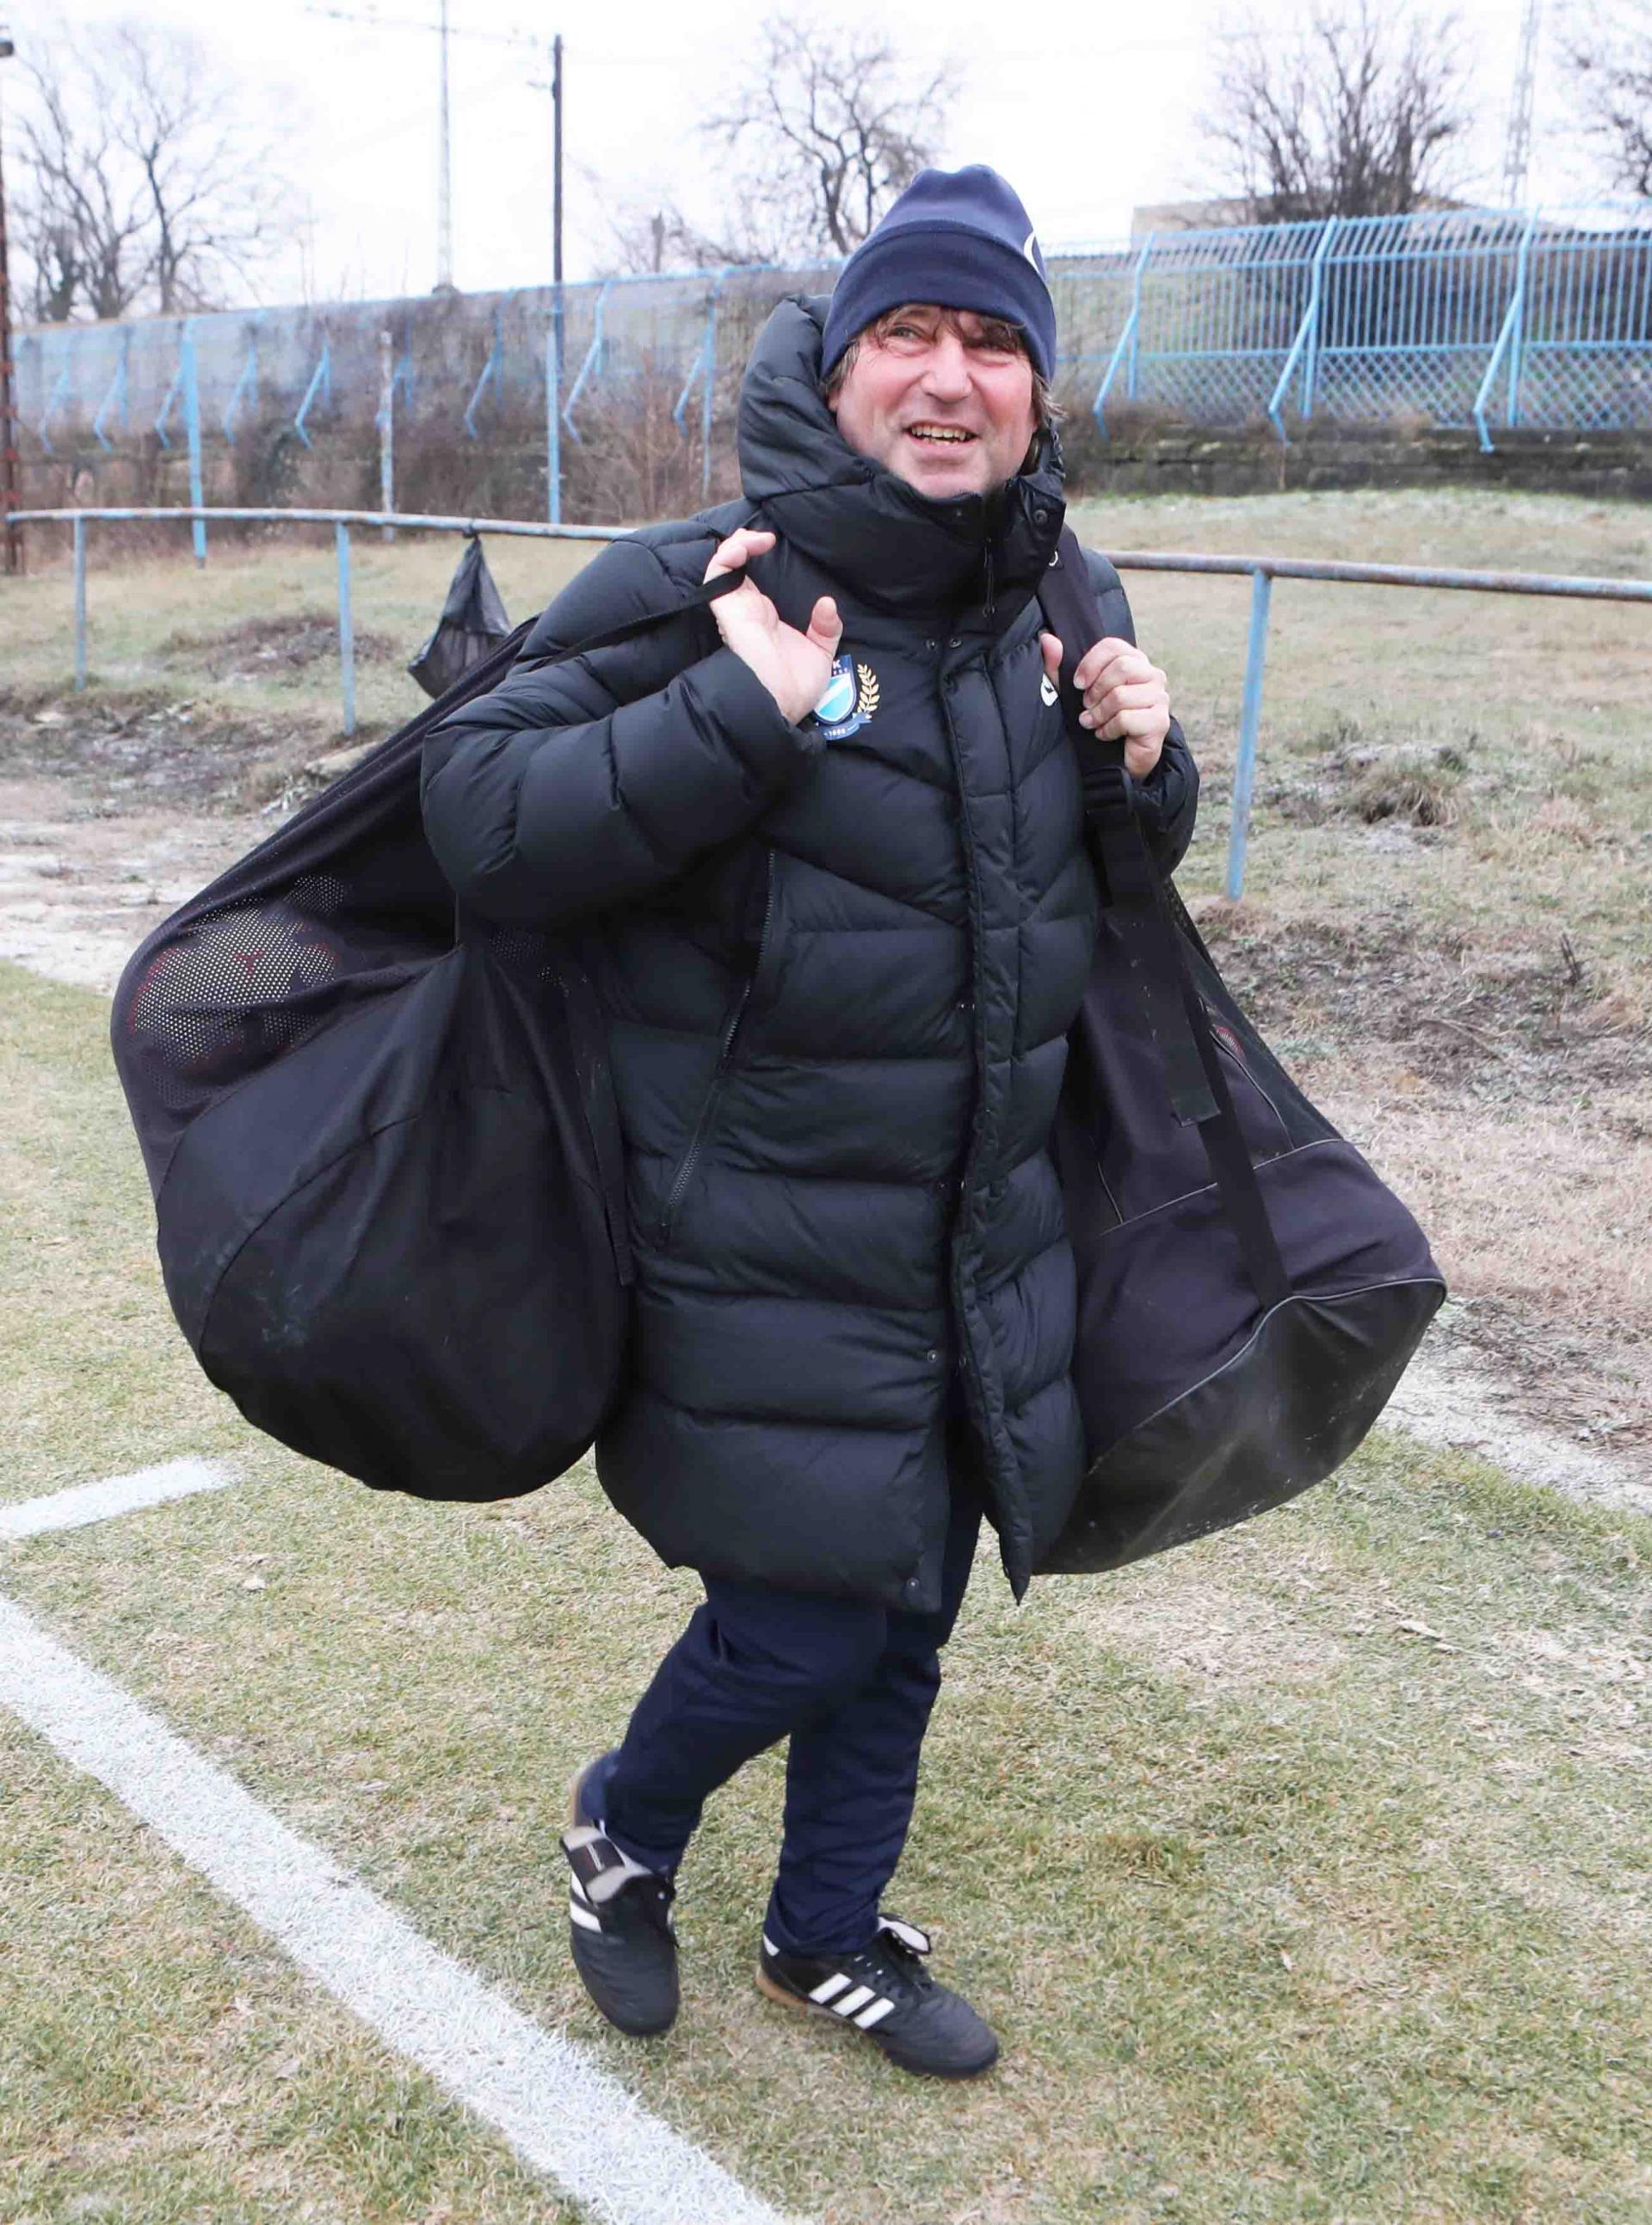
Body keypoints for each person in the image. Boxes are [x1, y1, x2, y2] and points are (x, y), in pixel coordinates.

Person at [421, 165, 1198, 2080]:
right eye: (907, 336)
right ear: (841, 373)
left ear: (1036, 387)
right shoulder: (721, 575)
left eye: (993, 342)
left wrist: (1144, 766)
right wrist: (734, 715)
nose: (949, 377)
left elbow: (1087, 893)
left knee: (906, 1624)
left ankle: (823, 1933)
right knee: (800, 1626)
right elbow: (483, 816)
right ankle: (622, 1826)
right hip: (761, 1245)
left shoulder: (1059, 595)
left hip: (973, 1248)